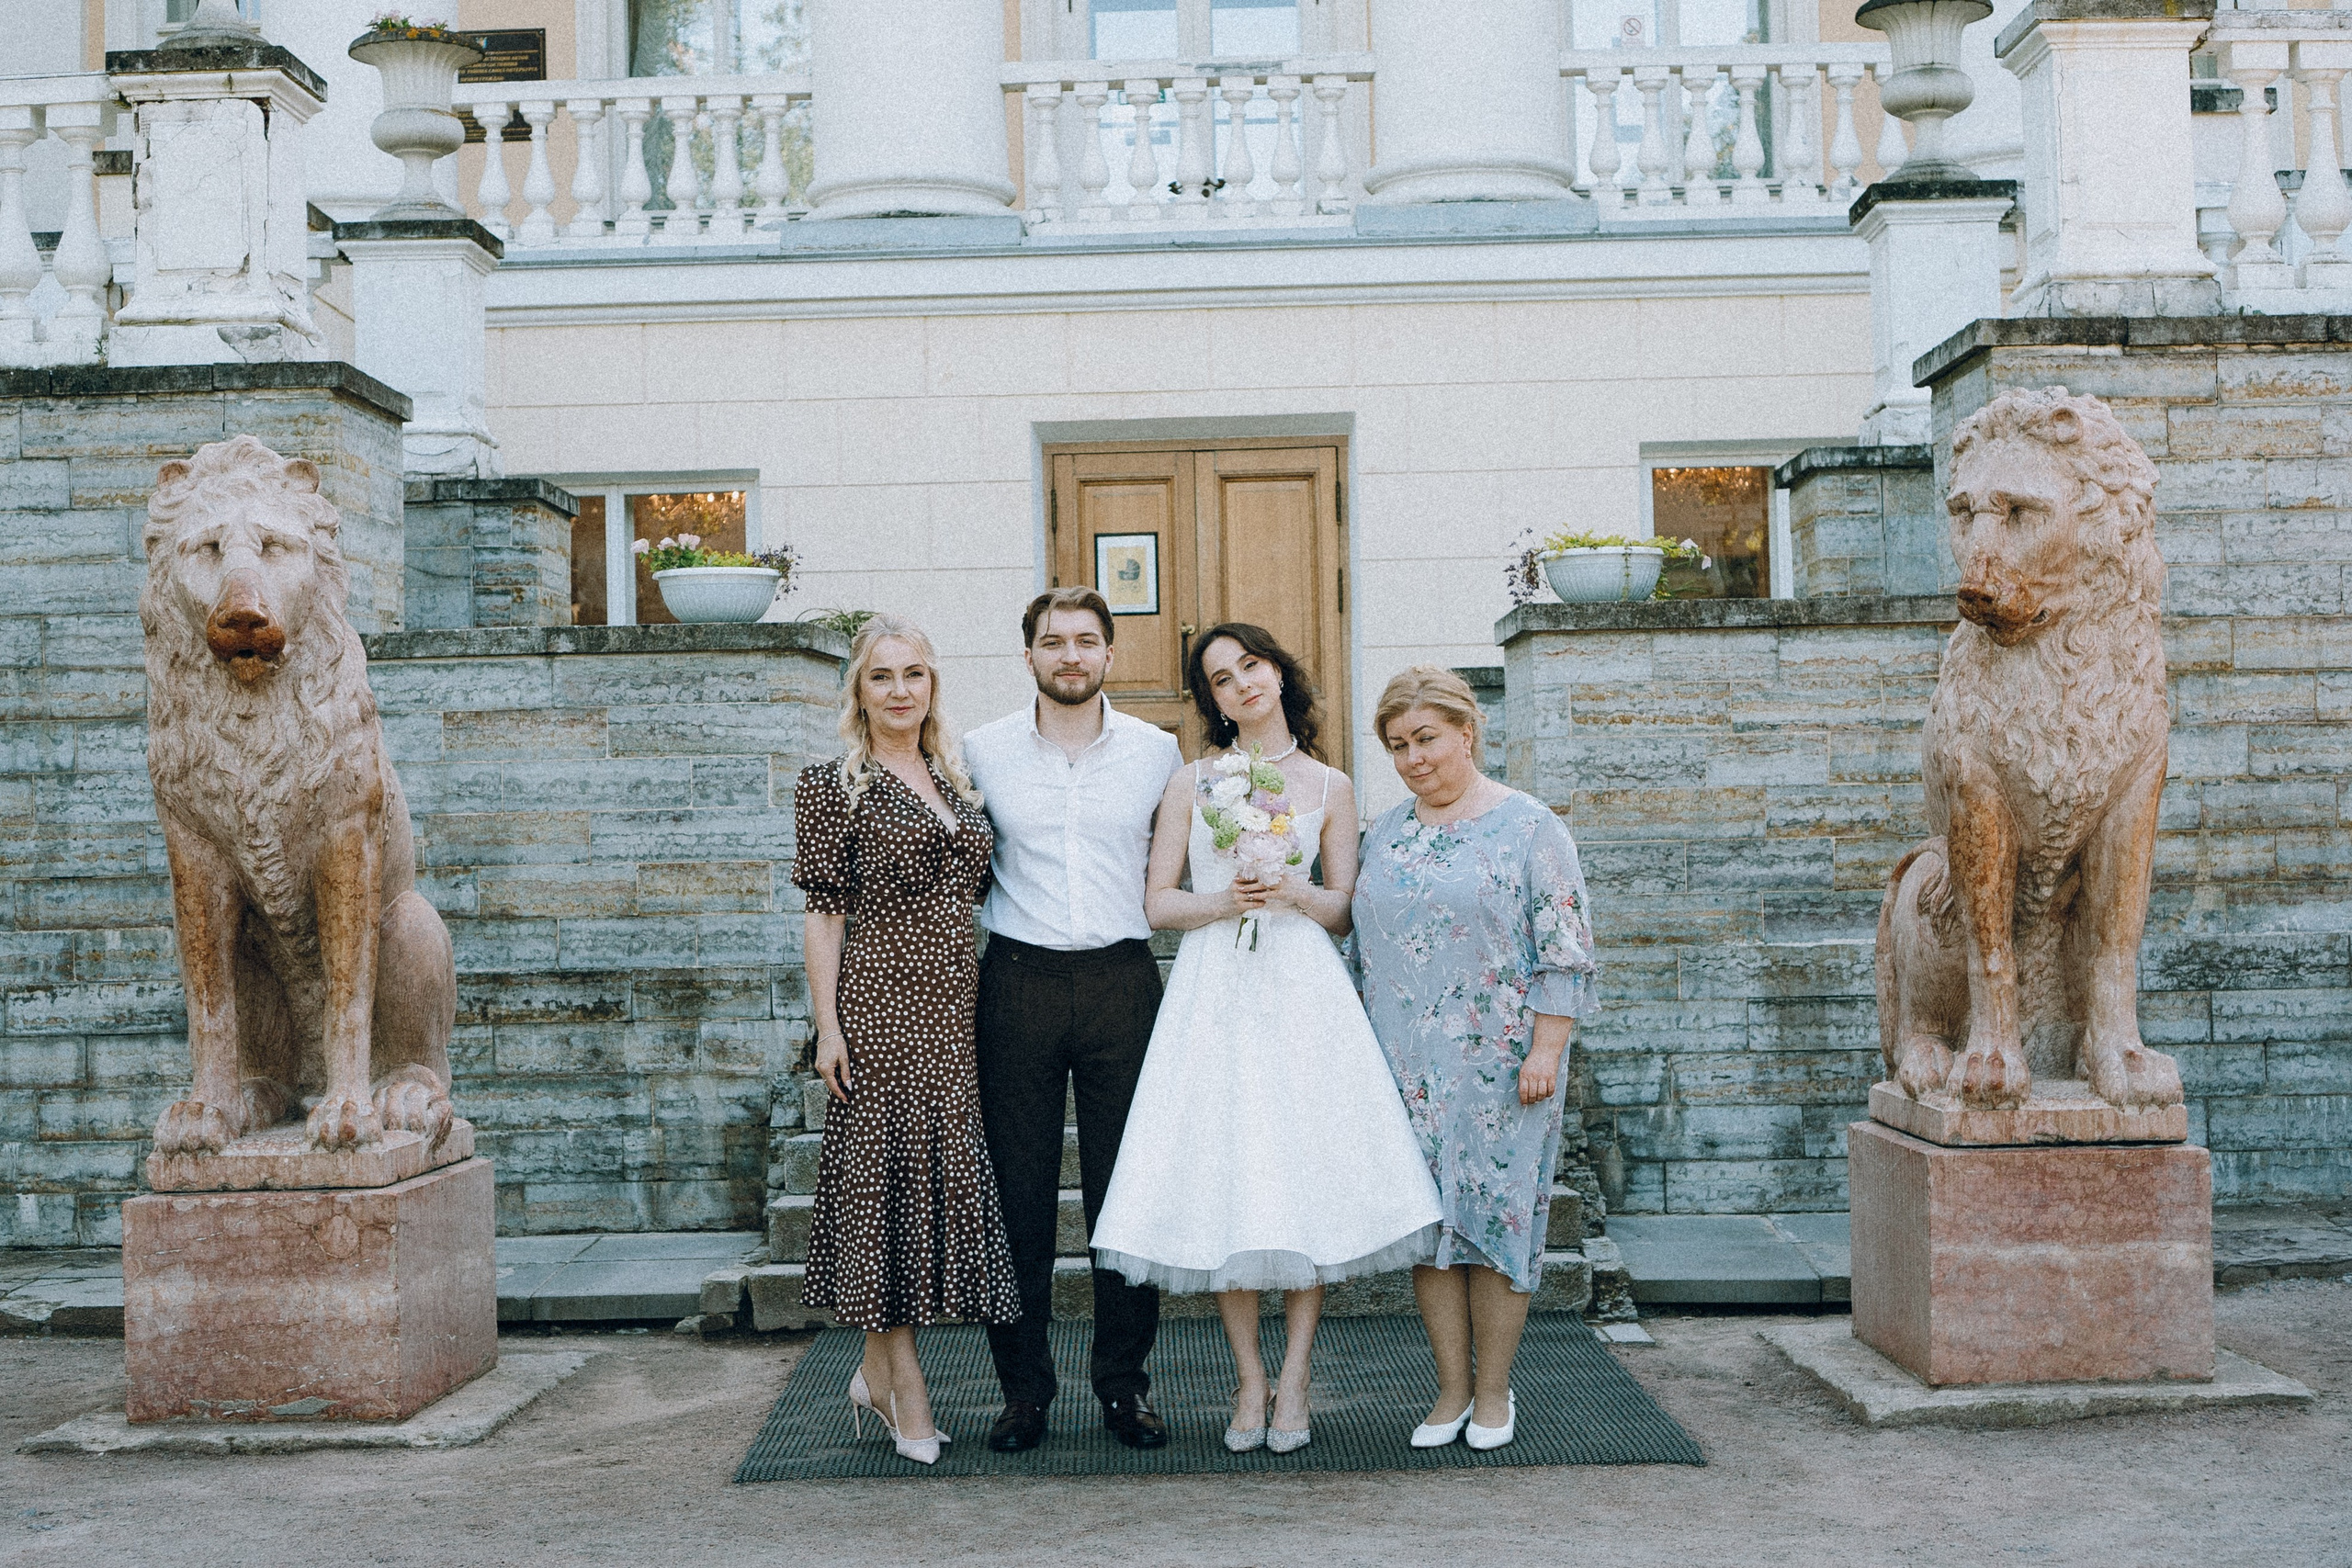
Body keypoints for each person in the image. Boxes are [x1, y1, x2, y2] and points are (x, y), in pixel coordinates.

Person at [1091, 625, 1442, 1456]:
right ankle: (1248, 1375)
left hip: (1301, 991)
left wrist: (1292, 888)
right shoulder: (1192, 781)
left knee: (1302, 1173)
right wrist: (1227, 901)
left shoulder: (1333, 782)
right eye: (1220, 678)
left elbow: (1345, 908)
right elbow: (1157, 904)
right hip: (1216, 990)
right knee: (1232, 1176)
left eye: (1250, 665)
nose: (1241, 684)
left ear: (1278, 671)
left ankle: (1296, 1375)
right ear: (1211, 701)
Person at [1351, 665, 1598, 1454]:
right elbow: (1360, 946)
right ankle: (1450, 1388)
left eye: (1426, 738)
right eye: (1397, 746)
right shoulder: (1384, 833)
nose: (1414, 757)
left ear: (1467, 731)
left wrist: (1547, 1047)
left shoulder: (1530, 827)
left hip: (1502, 1068)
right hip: (1405, 1069)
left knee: (1495, 1222)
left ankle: (1494, 1392)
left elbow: (1566, 945)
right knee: (1429, 1229)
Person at [791, 615, 1019, 1467]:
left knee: (919, 1196)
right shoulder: (833, 784)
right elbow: (823, 915)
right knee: (880, 1197)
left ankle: (871, 1375)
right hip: (879, 1009)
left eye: (913, 674)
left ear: (933, 685)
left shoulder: (954, 778)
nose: (899, 690)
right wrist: (829, 1027)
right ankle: (905, 1390)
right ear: (859, 689)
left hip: (952, 1015)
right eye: (881, 676)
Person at [961, 587, 1182, 1453]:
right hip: (1015, 982)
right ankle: (1023, 1392)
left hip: (1123, 981)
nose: (1070, 656)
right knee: (1013, 1197)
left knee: (1125, 1194)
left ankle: (1125, 1387)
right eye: (1052, 642)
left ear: (1110, 655)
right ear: (1028, 657)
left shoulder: (1158, 753)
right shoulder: (978, 751)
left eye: (1087, 641)